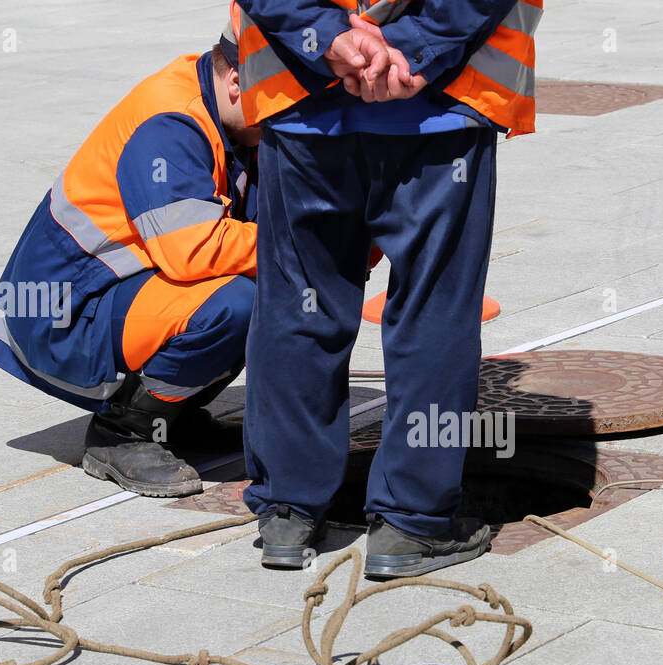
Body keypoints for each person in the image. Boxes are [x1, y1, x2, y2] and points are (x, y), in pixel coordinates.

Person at [231, 0, 540, 577]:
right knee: (434, 309)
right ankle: (408, 522)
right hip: (440, 107)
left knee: (299, 305)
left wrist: (326, 38)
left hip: (304, 104)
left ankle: (288, 512)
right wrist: (413, 45)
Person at [0, 38, 260, 497]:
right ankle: (123, 432)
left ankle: (174, 418)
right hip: (61, 316)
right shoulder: (170, 122)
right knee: (238, 304)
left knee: (265, 283)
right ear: (235, 81)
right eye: (283, 102)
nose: (291, 119)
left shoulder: (230, 116)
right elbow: (194, 251)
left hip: (108, 293)